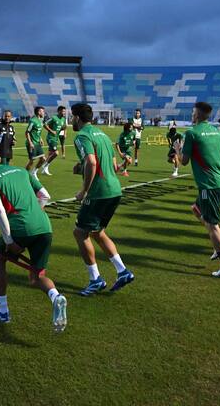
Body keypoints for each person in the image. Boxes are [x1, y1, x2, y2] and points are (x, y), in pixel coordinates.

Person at [0, 144, 67, 332]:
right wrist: (37, 212)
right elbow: (45, 195)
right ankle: (56, 296)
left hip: (20, 227)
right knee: (36, 276)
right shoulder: (21, 170)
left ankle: (3, 311)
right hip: (44, 226)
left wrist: (10, 242)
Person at [70, 103, 135, 296]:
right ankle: (122, 271)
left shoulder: (82, 136)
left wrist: (84, 190)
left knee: (80, 233)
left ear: (77, 118)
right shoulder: (103, 135)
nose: (71, 120)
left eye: (72, 117)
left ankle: (95, 279)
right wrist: (80, 167)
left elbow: (91, 161)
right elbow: (112, 167)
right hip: (114, 190)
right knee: (98, 232)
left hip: (99, 192)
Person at [180, 102, 220, 277]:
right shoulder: (217, 131)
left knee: (212, 225)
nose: (191, 114)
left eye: (192, 112)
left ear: (197, 114)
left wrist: (177, 149)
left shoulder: (191, 133)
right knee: (196, 209)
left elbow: (183, 161)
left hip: (209, 185)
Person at [40, 106, 66, 176]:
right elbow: (44, 124)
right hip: (51, 138)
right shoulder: (54, 118)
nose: (64, 112)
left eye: (65, 111)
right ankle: (45, 165)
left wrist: (64, 132)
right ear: (59, 111)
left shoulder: (63, 119)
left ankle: (44, 169)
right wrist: (51, 131)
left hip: (56, 138)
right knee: (56, 153)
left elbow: (63, 127)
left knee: (50, 154)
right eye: (63, 111)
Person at [25, 106, 47, 179]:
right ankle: (24, 174)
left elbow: (38, 132)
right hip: (32, 143)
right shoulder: (33, 121)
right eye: (42, 111)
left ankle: (34, 172)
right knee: (32, 161)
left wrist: (40, 139)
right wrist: (30, 143)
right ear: (38, 112)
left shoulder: (41, 120)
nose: (44, 112)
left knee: (43, 159)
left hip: (37, 143)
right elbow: (27, 132)